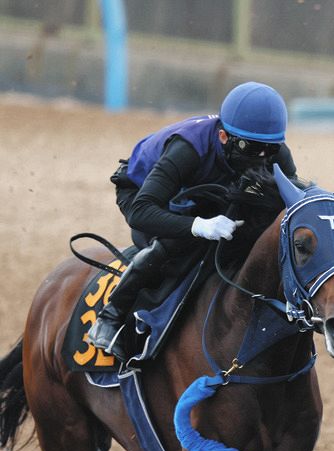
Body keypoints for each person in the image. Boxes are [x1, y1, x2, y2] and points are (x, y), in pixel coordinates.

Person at [87, 80, 299, 358]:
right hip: (144, 194)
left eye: (269, 150)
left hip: (206, 192)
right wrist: (199, 226)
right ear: (224, 137)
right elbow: (141, 212)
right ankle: (111, 316)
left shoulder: (272, 150)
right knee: (178, 244)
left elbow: (292, 203)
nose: (261, 158)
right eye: (250, 148)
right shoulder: (188, 148)